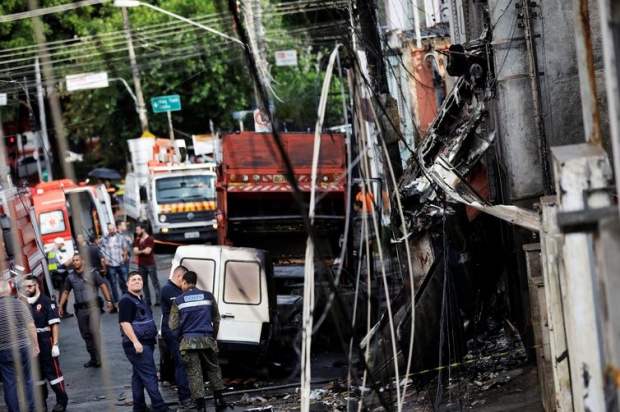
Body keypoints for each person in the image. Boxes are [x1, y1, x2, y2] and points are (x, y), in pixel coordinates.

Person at [169, 271, 226, 411]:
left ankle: (201, 406)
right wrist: (214, 338)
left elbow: (172, 326)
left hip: (188, 343)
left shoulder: (179, 300)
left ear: (184, 282)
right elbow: (216, 320)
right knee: (213, 369)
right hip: (207, 339)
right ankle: (219, 400)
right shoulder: (208, 296)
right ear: (195, 281)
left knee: (195, 373)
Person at [118, 272, 175, 412]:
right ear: (127, 284)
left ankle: (139, 407)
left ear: (143, 283)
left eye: (139, 279)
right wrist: (136, 342)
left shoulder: (140, 299)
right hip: (138, 345)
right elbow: (125, 323)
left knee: (138, 376)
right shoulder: (127, 300)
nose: (137, 281)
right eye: (133, 280)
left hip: (145, 343)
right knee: (150, 376)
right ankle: (159, 407)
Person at [58, 253, 114, 367]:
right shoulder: (70, 277)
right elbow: (65, 292)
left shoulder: (92, 273)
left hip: (93, 307)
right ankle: (93, 357)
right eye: (73, 260)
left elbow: (102, 285)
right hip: (81, 310)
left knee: (94, 331)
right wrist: (60, 305)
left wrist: (109, 300)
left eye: (77, 260)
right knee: (86, 335)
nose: (75, 262)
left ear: (82, 261)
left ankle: (98, 357)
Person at [22, 275, 69, 412]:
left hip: (45, 340)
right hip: (30, 341)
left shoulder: (47, 302)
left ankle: (62, 401)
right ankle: (41, 403)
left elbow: (54, 324)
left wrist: (55, 344)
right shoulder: (24, 303)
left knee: (52, 373)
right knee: (37, 375)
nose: (27, 289)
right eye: (25, 287)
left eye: (29, 286)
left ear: (36, 286)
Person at [0, 279, 39, 412]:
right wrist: (35, 345)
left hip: (4, 350)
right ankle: (32, 408)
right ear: (9, 290)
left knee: (9, 383)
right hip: (23, 347)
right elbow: (32, 327)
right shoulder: (19, 304)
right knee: (28, 380)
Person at [160, 266, 193, 408]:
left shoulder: (179, 289)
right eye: (184, 280)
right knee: (181, 362)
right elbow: (181, 308)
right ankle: (185, 398)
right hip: (171, 330)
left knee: (185, 362)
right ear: (179, 276)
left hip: (180, 330)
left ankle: (187, 395)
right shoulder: (167, 289)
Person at [133, 224, 160, 306]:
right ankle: (148, 300)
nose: (136, 232)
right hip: (141, 265)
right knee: (144, 283)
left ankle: (159, 299)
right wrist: (143, 251)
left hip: (150, 264)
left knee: (155, 282)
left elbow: (148, 251)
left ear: (143, 229)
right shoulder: (137, 240)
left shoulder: (149, 239)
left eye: (138, 230)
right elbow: (135, 252)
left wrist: (140, 251)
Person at [100, 223, 129, 299]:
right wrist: (104, 260)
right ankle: (116, 300)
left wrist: (124, 257)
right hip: (111, 265)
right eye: (110, 229)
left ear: (115, 229)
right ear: (108, 230)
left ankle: (126, 298)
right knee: (113, 284)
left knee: (125, 282)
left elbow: (125, 248)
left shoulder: (121, 238)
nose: (112, 231)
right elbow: (100, 250)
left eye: (113, 229)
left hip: (120, 263)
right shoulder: (104, 239)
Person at [47, 237, 74, 318]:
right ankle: (63, 312)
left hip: (55, 275)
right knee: (64, 293)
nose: (62, 246)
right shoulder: (57, 252)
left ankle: (61, 311)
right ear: (58, 244)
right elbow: (65, 264)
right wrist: (73, 259)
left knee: (62, 293)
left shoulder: (52, 251)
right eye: (61, 244)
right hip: (61, 275)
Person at [352, 200, 375, 278]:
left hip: (366, 241)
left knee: (367, 259)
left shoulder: (367, 216)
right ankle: (359, 275)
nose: (354, 207)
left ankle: (369, 275)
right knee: (360, 258)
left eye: (354, 206)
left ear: (358, 206)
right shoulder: (357, 217)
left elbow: (372, 227)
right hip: (361, 241)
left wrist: (371, 238)